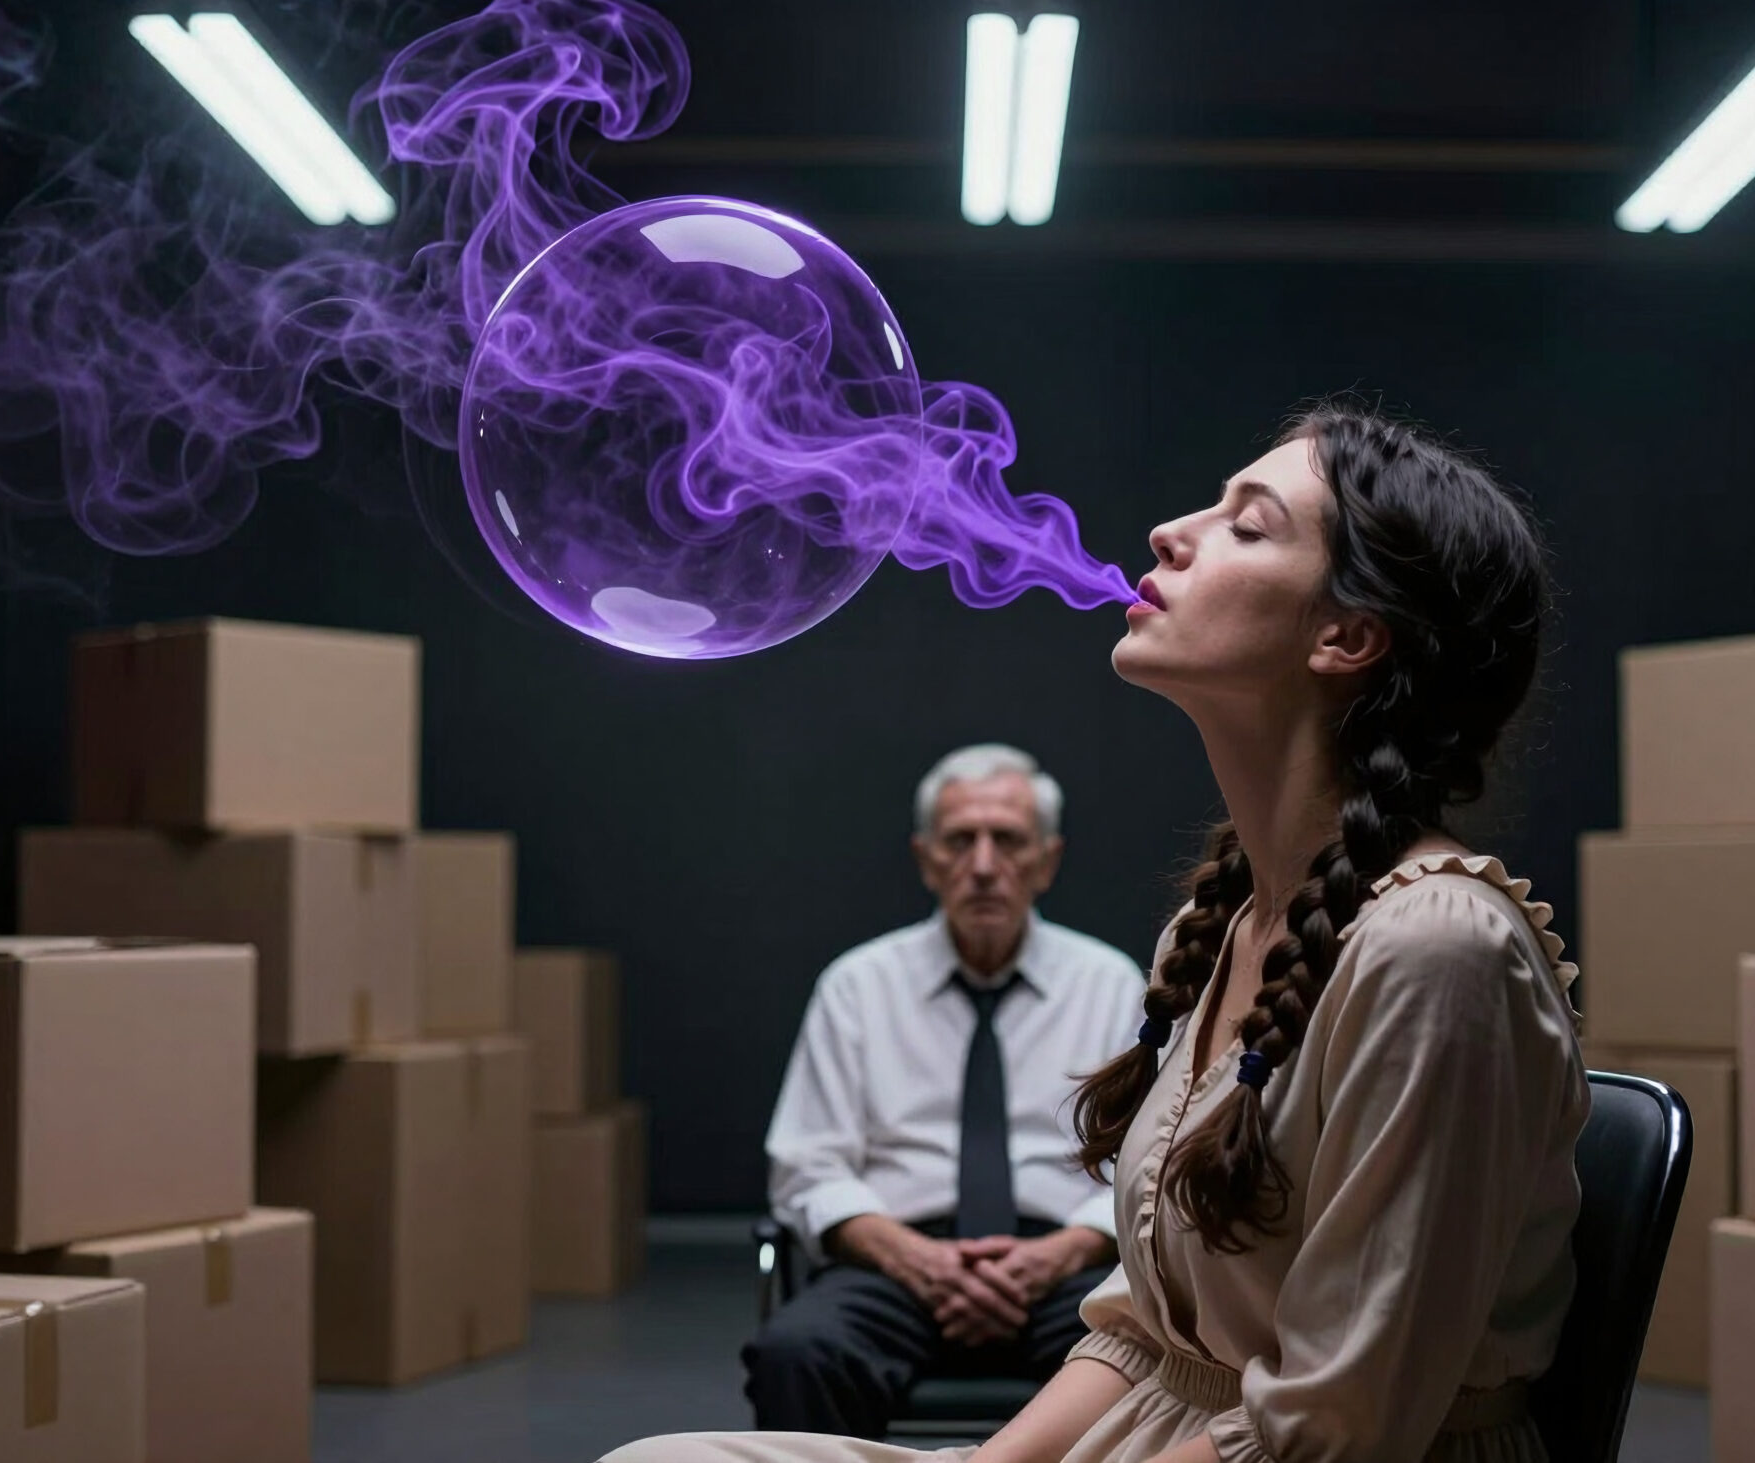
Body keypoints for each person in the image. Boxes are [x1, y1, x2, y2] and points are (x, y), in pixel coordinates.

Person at [611, 398, 1588, 1463]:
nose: (1169, 532)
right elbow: (1140, 1333)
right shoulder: (1213, 934)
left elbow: (1329, 1430)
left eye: (1246, 525)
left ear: (1346, 636)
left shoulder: (1434, 949)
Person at [748, 744, 1150, 1436]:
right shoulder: (858, 985)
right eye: (960, 840)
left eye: (1009, 840)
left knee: (1146, 1352)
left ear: (1047, 860)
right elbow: (808, 1168)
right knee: (797, 1353)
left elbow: (1144, 1166)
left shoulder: (1109, 984)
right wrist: (918, 1261)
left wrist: (1057, 1254)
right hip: (896, 1259)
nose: (984, 865)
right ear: (925, 859)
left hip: (1067, 1262)